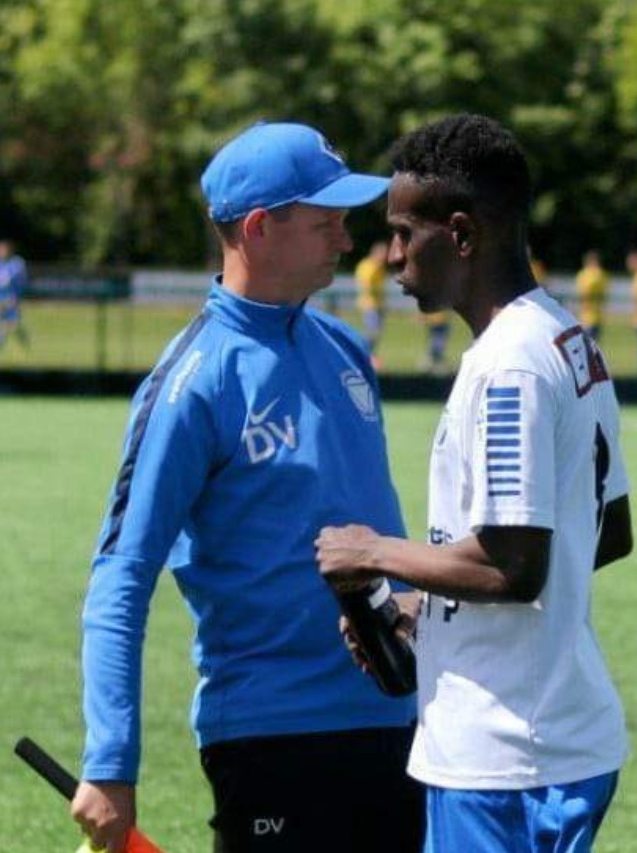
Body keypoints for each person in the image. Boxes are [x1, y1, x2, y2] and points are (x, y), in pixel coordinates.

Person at [71, 122, 423, 853]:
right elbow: (122, 574)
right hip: (273, 739)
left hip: (401, 724)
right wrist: (110, 760)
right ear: (260, 229)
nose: (347, 240)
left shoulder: (345, 350)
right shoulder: (193, 382)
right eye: (327, 222)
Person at [317, 114, 633, 853]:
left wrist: (373, 552)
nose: (392, 258)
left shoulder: (507, 367)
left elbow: (512, 565)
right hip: (555, 735)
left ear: (461, 234)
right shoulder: (565, 335)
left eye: (403, 233)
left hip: (503, 756)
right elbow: (603, 532)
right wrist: (429, 601)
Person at [0, 239, 31, 352]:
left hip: (12, 299)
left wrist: (16, 297)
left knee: (12, 324)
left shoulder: (17, 264)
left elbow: (21, 282)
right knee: (2, 323)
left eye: (0, 250)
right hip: (0, 299)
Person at [354, 240, 388, 368]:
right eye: (383, 254)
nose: (385, 257)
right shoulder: (367, 266)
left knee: (376, 332)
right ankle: (364, 355)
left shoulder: (380, 267)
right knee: (372, 332)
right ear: (376, 253)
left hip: (379, 304)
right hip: (369, 304)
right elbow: (364, 285)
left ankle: (369, 356)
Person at [575, 249, 609, 341]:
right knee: (594, 345)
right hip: (592, 316)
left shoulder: (584, 274)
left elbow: (582, 294)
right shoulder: (601, 274)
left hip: (589, 316)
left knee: (589, 345)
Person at [418, 309, 451, 375]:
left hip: (440, 325)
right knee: (435, 345)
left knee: (437, 346)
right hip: (436, 325)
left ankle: (437, 365)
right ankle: (433, 364)